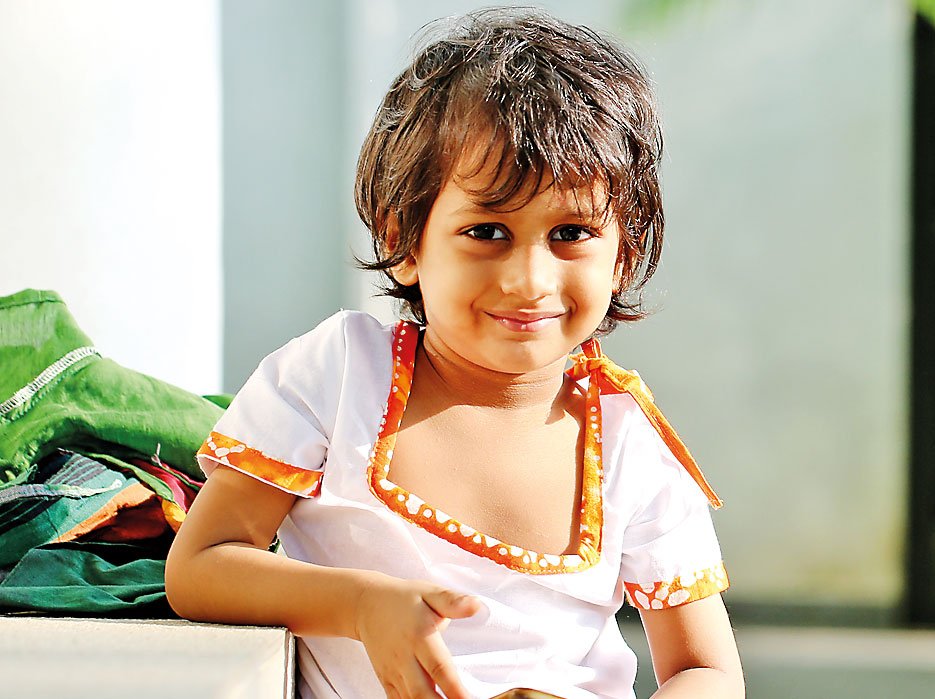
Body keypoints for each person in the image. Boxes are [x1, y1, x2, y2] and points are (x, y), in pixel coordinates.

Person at [164, 9, 743, 699]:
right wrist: (359, 605)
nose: (530, 279)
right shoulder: (341, 377)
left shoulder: (627, 442)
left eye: (571, 232)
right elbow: (200, 567)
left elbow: (707, 670)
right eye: (488, 230)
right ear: (405, 237)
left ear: (625, 248)